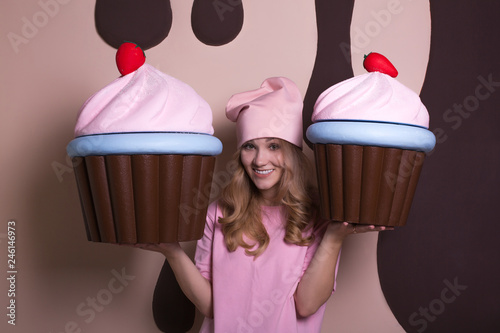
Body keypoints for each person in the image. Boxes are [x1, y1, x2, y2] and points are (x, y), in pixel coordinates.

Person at [140, 77, 391, 332]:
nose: (260, 160)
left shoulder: (319, 216)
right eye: (250, 146)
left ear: (292, 152)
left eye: (273, 146)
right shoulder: (218, 213)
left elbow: (306, 305)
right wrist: (172, 251)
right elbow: (211, 307)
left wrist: (334, 238)